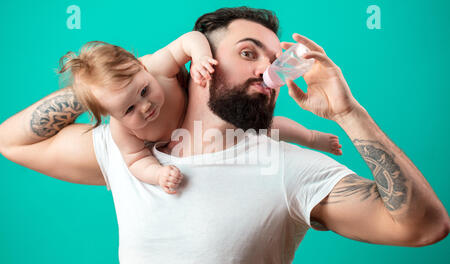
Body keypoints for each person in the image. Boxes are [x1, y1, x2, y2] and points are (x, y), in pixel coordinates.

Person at [0, 7, 448, 264]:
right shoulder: (127, 145)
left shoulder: (291, 168)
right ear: (197, 61)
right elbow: (11, 139)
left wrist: (350, 114)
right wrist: (106, 85)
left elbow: (425, 227)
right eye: (249, 52)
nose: (266, 69)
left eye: (275, 59)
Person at [57, 36, 343, 194]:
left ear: (141, 67)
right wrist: (157, 174)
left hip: (206, 114)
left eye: (144, 91)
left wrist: (200, 57)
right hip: (188, 141)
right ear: (110, 115)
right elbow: (135, 160)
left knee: (267, 126)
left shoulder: (156, 66)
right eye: (129, 109)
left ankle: (311, 137)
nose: (145, 107)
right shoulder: (122, 131)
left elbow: (189, 40)